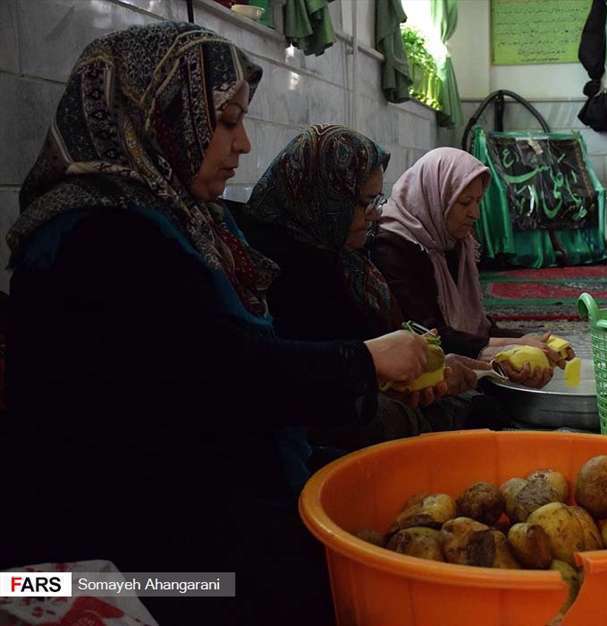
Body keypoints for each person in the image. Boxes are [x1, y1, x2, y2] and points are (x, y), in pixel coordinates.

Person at [0, 22, 427, 625]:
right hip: (130, 570)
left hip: (175, 515)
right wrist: (365, 360)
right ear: (158, 116)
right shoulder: (99, 239)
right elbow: (222, 374)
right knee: (329, 587)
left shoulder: (176, 220)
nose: (245, 144)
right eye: (226, 122)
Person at [236, 124, 497, 440]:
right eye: (364, 203)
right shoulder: (284, 267)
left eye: (377, 200)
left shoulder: (346, 258)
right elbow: (311, 379)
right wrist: (394, 374)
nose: (375, 215)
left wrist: (422, 371)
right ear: (328, 200)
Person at [371, 147, 569, 388]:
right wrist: (505, 348)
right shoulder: (393, 246)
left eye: (478, 201)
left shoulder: (452, 241)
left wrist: (527, 340)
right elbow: (427, 333)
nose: (474, 213)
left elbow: (477, 327)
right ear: (436, 197)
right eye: (465, 202)